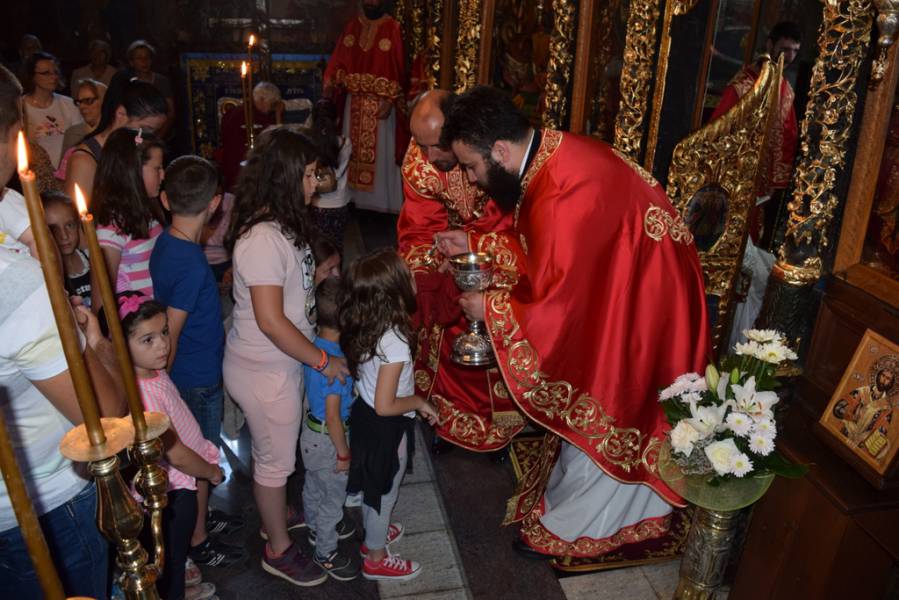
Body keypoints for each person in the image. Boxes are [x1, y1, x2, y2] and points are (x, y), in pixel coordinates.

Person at [441, 86, 710, 559]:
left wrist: (492, 309)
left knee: (610, 395)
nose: (471, 179)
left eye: (471, 166)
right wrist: (478, 244)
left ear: (499, 150)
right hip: (639, 294)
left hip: (645, 311)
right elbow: (550, 259)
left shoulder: (559, 192)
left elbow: (558, 306)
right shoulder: (553, 157)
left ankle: (592, 520)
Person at [0, 62, 125, 599]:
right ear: (14, 134)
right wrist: (92, 341)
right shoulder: (18, 283)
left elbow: (20, 215)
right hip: (43, 512)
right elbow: (106, 415)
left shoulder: (12, 216)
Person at [223, 127, 348, 587]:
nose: (316, 184)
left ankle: (272, 509)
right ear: (286, 177)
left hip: (280, 364)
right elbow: (272, 322)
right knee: (274, 464)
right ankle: (278, 548)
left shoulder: (280, 224)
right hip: (266, 370)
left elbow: (288, 296)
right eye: (309, 175)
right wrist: (323, 360)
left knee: (276, 457)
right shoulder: (262, 238)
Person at [398, 89, 526, 453]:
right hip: (450, 257)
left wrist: (476, 249)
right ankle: (447, 413)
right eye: (419, 144)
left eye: (435, 146)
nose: (427, 156)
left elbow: (511, 218)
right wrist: (429, 269)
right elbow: (419, 229)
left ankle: (505, 414)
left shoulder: (491, 150)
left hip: (502, 253)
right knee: (442, 303)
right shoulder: (420, 163)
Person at [150, 155, 245, 567]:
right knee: (202, 455)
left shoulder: (166, 243)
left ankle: (202, 517)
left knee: (201, 449)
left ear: (165, 199)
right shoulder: (190, 262)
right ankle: (198, 538)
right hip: (195, 377)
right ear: (216, 203)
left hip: (191, 371)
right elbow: (170, 330)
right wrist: (163, 386)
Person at [100, 292, 224, 600]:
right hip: (171, 492)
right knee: (170, 562)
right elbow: (176, 455)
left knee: (172, 555)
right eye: (148, 340)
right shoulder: (142, 397)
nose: (163, 345)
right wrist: (210, 471)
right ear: (118, 346)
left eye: (164, 332)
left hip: (182, 480)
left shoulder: (152, 371)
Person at [341, 248, 437, 580]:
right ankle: (376, 557)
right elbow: (386, 404)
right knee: (383, 492)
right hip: (386, 426)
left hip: (365, 418)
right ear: (394, 292)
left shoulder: (366, 322)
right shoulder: (394, 341)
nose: (415, 277)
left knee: (375, 486)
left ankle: (374, 534)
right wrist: (418, 402)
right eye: (409, 275)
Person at [300, 277, 359, 581]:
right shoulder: (337, 364)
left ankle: (312, 527)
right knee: (332, 501)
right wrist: (344, 453)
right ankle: (326, 552)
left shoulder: (313, 348)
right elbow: (334, 417)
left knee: (313, 486)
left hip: (310, 434)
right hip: (329, 440)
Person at [324, 0, 408, 214]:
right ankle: (353, 198)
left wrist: (391, 99)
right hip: (353, 102)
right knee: (351, 149)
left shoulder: (393, 28)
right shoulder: (352, 26)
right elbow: (339, 59)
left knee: (381, 154)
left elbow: (398, 65)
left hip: (380, 103)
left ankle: (382, 202)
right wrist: (332, 80)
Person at [93, 127, 166, 305]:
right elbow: (101, 295)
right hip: (137, 318)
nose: (163, 175)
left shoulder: (149, 212)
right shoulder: (112, 227)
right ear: (133, 170)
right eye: (157, 169)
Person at [64, 74, 168, 199]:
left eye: (155, 132)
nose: (149, 139)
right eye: (145, 129)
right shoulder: (84, 160)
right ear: (121, 114)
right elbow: (78, 210)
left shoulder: (135, 151)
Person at [22, 51, 84, 170]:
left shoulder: (69, 104)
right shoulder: (21, 106)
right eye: (46, 73)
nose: (54, 77)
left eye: (55, 72)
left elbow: (79, 140)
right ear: (32, 76)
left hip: (68, 170)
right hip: (36, 172)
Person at [217, 81, 283, 191]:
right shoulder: (244, 115)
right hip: (243, 168)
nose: (272, 108)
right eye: (272, 104)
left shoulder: (241, 112)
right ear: (262, 99)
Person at [308, 98, 352, 251]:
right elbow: (339, 173)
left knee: (316, 248)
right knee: (336, 247)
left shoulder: (308, 143)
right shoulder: (345, 143)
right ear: (337, 120)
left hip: (315, 203)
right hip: (339, 203)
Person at [833, 367, 897, 460]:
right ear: (878, 376)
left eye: (888, 379)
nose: (884, 380)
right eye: (883, 376)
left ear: (890, 384)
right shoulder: (862, 391)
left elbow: (881, 432)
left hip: (863, 443)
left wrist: (864, 437)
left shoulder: (886, 407)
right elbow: (838, 409)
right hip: (846, 432)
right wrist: (852, 416)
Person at [42, 191, 92, 306]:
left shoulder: (93, 259)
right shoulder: (46, 276)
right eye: (53, 229)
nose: (64, 236)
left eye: (69, 225)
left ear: (78, 225)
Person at [126, 40, 175, 138]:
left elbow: (170, 112)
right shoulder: (128, 83)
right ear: (131, 62)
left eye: (147, 57)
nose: (144, 61)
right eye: (139, 58)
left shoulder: (162, 81)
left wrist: (158, 136)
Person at [60, 79, 107, 163]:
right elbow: (64, 169)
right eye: (79, 102)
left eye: (88, 101)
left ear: (105, 101)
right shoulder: (72, 134)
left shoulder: (117, 133)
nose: (81, 106)